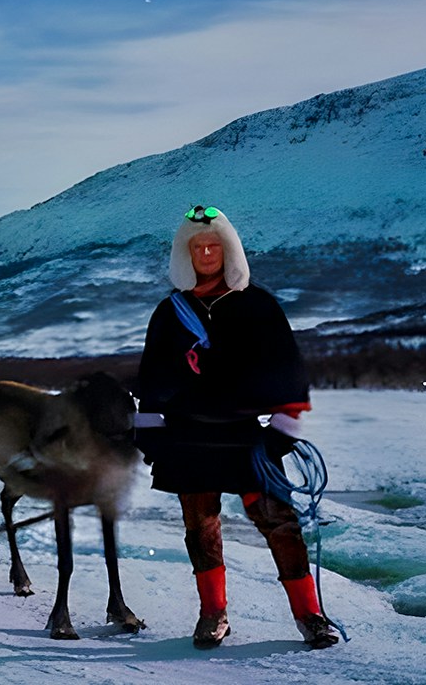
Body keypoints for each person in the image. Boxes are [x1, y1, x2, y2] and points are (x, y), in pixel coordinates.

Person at [135, 204, 340, 650]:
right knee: (201, 530)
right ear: (184, 255)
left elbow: (289, 371)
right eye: (198, 247)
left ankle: (310, 616)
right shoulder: (169, 314)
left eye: (214, 245)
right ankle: (212, 615)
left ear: (228, 251)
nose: (206, 253)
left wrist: (281, 432)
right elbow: (150, 380)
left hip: (247, 437)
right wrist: (150, 436)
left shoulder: (259, 306)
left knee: (281, 524)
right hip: (188, 438)